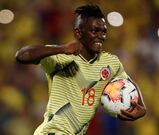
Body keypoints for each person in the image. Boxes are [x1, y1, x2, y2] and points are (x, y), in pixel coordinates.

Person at [15, 4, 146, 135]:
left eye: (103, 31)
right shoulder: (61, 57)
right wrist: (62, 49)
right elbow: (22, 56)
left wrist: (141, 108)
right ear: (78, 33)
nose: (100, 35)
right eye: (95, 31)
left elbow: (129, 84)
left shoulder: (111, 63)